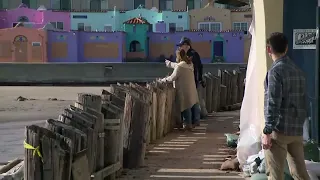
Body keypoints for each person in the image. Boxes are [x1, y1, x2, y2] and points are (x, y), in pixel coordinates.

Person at [262, 32, 309, 180]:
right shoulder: (298, 71)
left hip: (279, 130)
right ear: (286, 48)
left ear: (269, 49)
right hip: (296, 130)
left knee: (275, 175)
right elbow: (304, 100)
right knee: (300, 174)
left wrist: (267, 131)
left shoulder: (275, 72)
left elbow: (273, 102)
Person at [161, 49, 199, 131]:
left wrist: (162, 80)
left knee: (186, 107)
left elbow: (172, 78)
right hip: (191, 88)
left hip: (183, 90)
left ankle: (187, 124)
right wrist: (169, 64)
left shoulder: (180, 67)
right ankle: (195, 121)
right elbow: (178, 65)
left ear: (178, 57)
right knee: (190, 104)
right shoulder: (189, 64)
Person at [176, 37, 203, 127]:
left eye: (181, 45)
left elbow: (198, 67)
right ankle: (196, 120)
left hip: (192, 80)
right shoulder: (191, 54)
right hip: (193, 80)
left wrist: (198, 79)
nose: (180, 48)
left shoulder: (192, 55)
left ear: (186, 45)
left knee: (190, 102)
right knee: (194, 101)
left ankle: (191, 122)